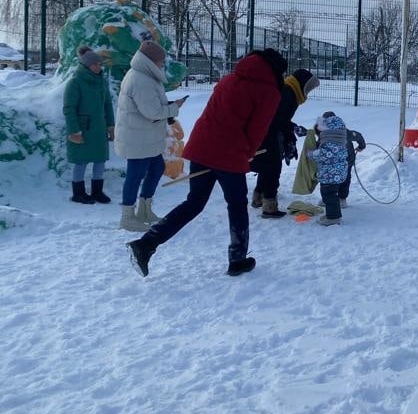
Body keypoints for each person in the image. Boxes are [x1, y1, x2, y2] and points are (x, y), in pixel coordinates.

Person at [126, 48, 286, 278]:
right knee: (237, 205)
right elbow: (258, 129)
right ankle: (238, 259)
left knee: (194, 203)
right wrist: (248, 152)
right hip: (230, 154)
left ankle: (146, 244)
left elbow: (212, 113)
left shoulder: (230, 79)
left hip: (202, 147)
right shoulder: (269, 91)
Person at [114, 40, 186, 231]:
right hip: (137, 138)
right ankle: (127, 217)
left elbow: (152, 105)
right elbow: (152, 112)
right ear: (151, 61)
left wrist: (169, 106)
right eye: (161, 61)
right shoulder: (140, 79)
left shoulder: (146, 76)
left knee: (156, 169)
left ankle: (144, 211)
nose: (163, 64)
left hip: (146, 137)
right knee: (135, 175)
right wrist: (174, 108)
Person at [251, 68, 319, 218]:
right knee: (272, 167)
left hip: (267, 133)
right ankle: (269, 206)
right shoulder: (288, 94)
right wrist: (293, 129)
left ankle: (258, 198)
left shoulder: (289, 91)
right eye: (310, 87)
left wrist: (290, 137)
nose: (309, 91)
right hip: (267, 135)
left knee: (265, 165)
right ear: (302, 84)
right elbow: (276, 119)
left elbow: (281, 120)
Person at [63, 46, 115, 204]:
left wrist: (111, 126)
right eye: (96, 64)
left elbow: (108, 104)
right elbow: (69, 109)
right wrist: (74, 131)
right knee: (81, 161)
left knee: (100, 160)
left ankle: (97, 192)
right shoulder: (75, 83)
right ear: (87, 65)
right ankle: (78, 193)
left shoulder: (101, 82)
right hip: (82, 129)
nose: (99, 67)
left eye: (100, 64)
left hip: (99, 128)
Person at [309, 112, 349, 226]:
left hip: (330, 176)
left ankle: (333, 218)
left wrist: (311, 154)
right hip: (337, 175)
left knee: (329, 197)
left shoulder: (329, 145)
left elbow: (322, 155)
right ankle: (331, 215)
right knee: (331, 196)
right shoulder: (340, 143)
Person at [339, 123, 366, 208]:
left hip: (346, 160)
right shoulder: (324, 132)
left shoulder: (345, 132)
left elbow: (358, 136)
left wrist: (361, 146)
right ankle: (330, 198)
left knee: (344, 178)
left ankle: (342, 199)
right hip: (334, 161)